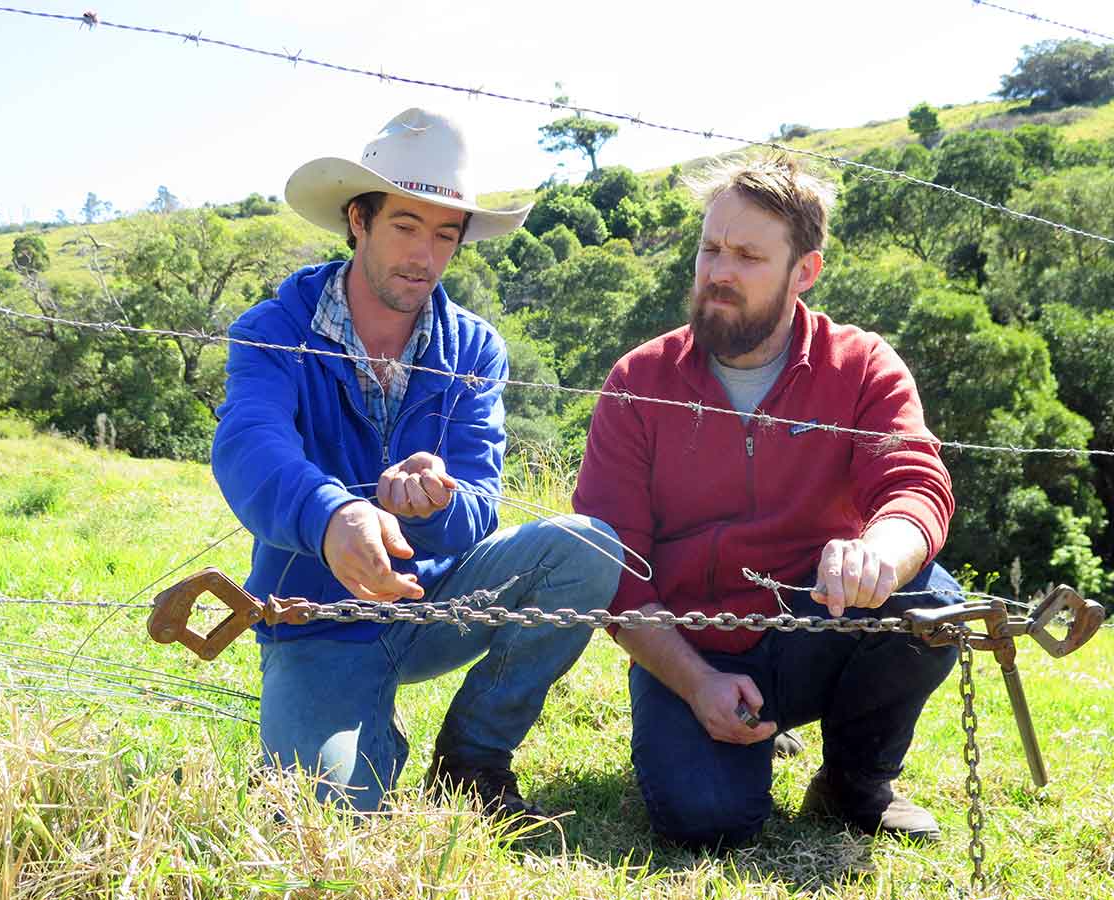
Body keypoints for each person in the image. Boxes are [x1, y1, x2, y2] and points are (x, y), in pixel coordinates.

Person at [212, 108, 622, 817]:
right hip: (316, 619)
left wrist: (434, 503)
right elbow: (249, 445)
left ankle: (473, 758)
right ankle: (348, 730)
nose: (423, 256)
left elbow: (479, 506)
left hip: (437, 606)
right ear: (358, 221)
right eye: (405, 226)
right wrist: (332, 515)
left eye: (444, 235)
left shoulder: (474, 348)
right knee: (324, 816)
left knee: (586, 548)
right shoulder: (272, 331)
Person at [572, 154, 960, 848]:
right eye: (710, 249)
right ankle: (726, 739)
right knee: (708, 825)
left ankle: (853, 781)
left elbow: (915, 484)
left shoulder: (862, 364)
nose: (719, 272)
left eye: (749, 255)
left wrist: (880, 550)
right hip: (691, 645)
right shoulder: (639, 380)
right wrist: (694, 683)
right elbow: (618, 570)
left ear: (803, 271)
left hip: (817, 625)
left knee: (930, 603)